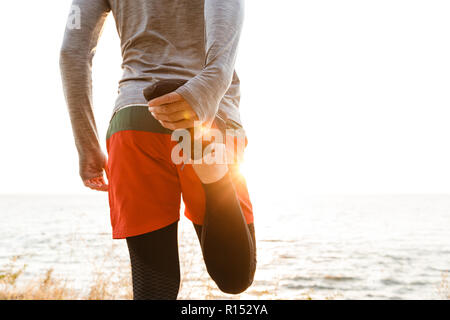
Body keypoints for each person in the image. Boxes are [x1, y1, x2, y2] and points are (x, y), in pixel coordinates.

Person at [60, 0, 256, 299]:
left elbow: (72, 52)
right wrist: (204, 91)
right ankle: (213, 176)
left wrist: (87, 145)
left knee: (154, 288)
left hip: (134, 120)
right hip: (205, 116)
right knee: (235, 277)